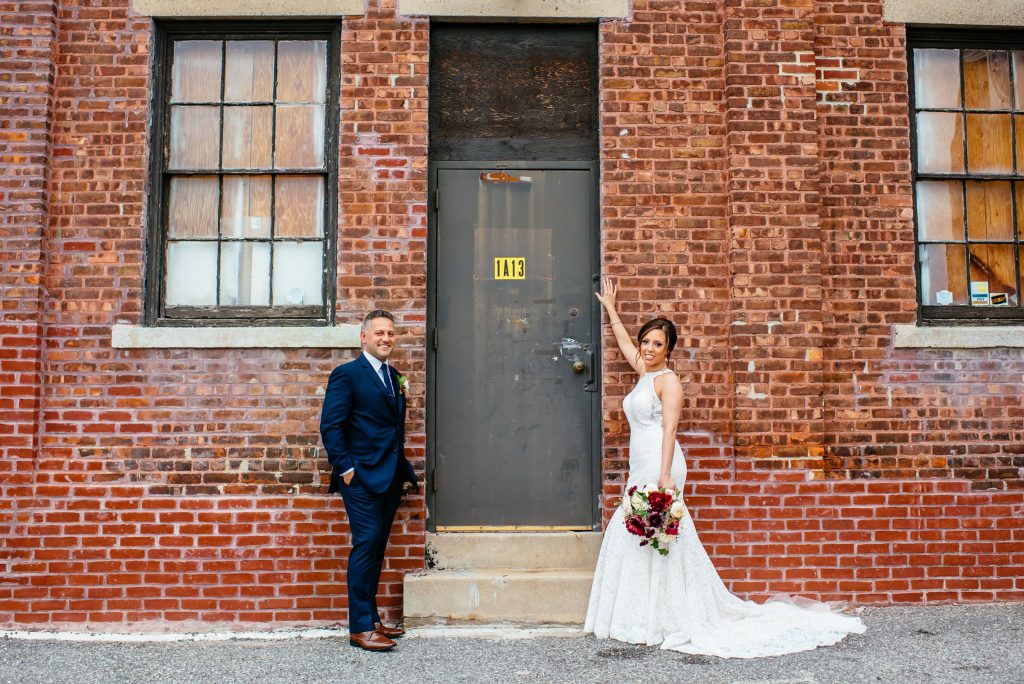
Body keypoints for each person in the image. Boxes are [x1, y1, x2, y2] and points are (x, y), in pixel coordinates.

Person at [585, 277, 865, 657]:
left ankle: (667, 617)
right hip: (641, 463)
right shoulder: (644, 372)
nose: (648, 348)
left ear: (669, 350)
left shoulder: (668, 382)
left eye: (657, 344)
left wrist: (665, 475)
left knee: (658, 534)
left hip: (659, 462)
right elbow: (623, 344)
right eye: (646, 341)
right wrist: (611, 308)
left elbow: (669, 430)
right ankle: (644, 616)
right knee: (640, 533)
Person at [320, 310, 417, 652]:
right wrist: (346, 468)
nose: (386, 338)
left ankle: (373, 620)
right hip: (360, 477)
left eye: (390, 333)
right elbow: (331, 426)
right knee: (366, 545)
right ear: (364, 337)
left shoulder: (394, 376)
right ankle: (360, 627)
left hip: (389, 476)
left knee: (376, 548)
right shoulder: (347, 374)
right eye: (379, 333)